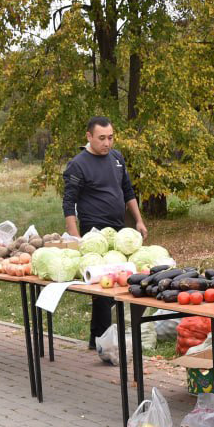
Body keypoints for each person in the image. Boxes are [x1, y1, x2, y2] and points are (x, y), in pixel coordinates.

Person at [63, 117, 149, 351]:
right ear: (89, 137)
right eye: (102, 138)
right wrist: (76, 238)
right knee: (102, 290)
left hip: (119, 230)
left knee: (124, 281)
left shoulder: (117, 158)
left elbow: (128, 190)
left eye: (110, 137)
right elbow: (68, 203)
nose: (107, 143)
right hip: (94, 232)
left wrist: (139, 220)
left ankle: (112, 336)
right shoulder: (78, 165)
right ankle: (100, 341)